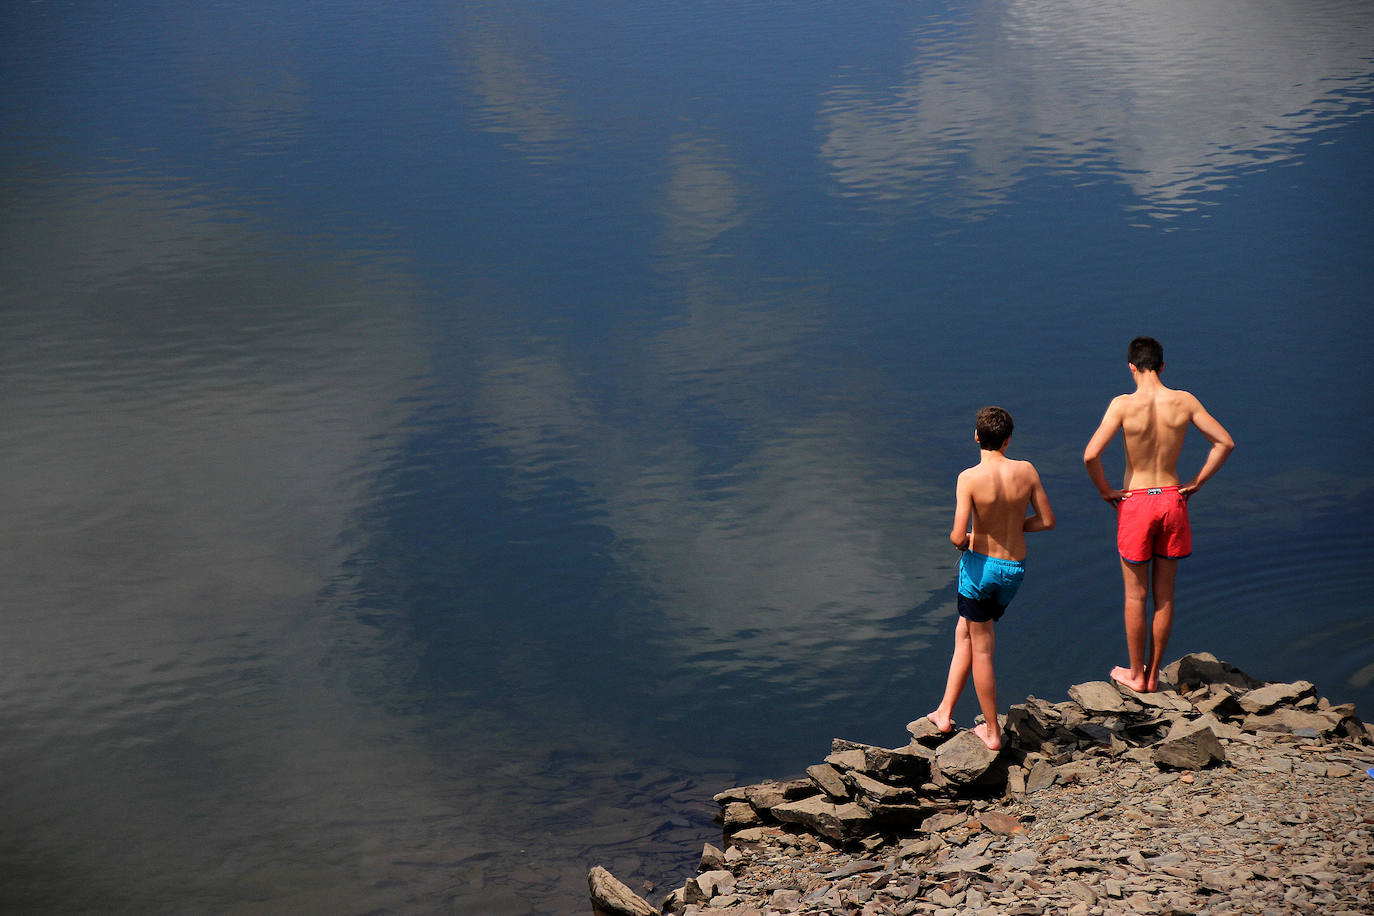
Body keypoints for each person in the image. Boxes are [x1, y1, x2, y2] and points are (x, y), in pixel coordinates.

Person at [1083, 336, 1234, 694]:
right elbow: (1225, 442)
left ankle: (1136, 674)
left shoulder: (1122, 405)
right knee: (1164, 595)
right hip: (1171, 497)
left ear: (1131, 367)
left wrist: (1105, 490)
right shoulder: (1184, 401)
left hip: (1136, 500)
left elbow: (1091, 455)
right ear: (1163, 366)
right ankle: (1153, 676)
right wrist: (1197, 481)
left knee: (1135, 596)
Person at [927, 406, 1055, 750]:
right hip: (1013, 569)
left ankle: (992, 732)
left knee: (981, 648)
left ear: (976, 436)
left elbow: (957, 537)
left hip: (981, 570)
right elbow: (1046, 520)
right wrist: (1013, 527)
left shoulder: (968, 478)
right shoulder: (1026, 471)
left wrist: (973, 538)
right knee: (964, 630)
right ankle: (944, 710)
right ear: (1008, 439)